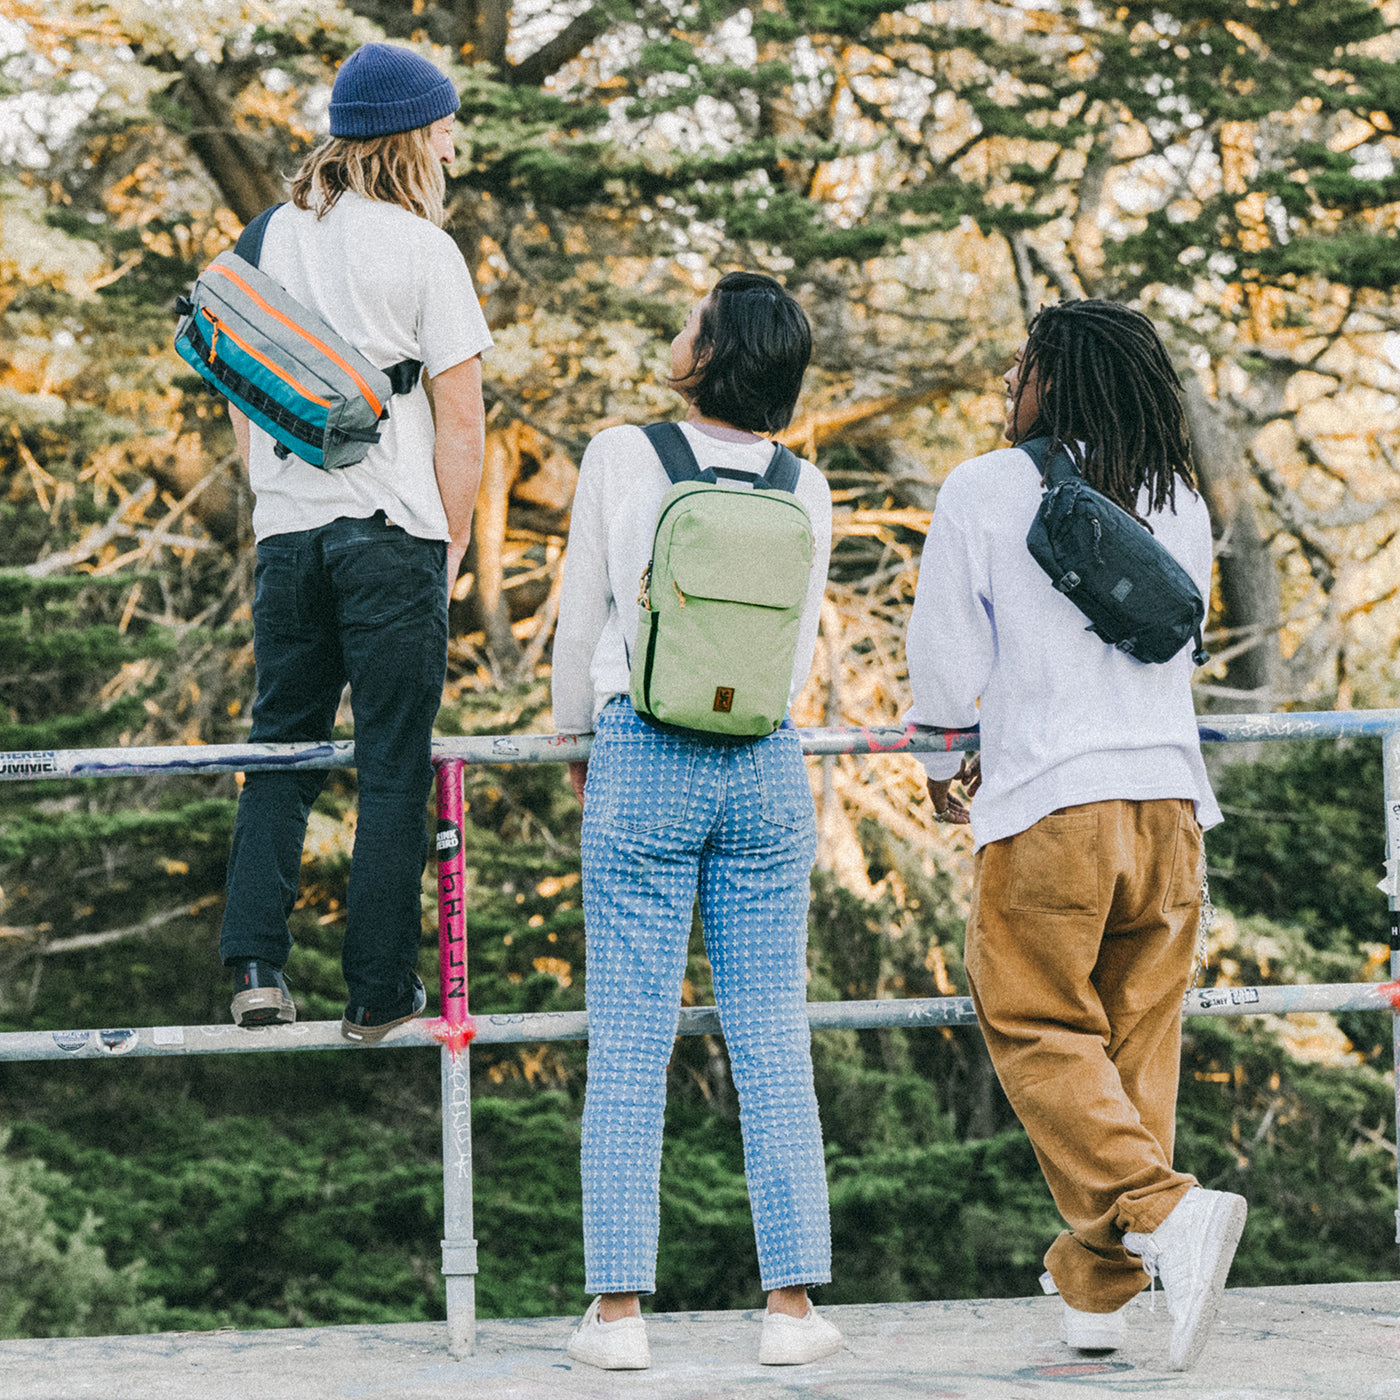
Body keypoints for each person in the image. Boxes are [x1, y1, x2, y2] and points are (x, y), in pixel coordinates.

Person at [904, 299, 1245, 1371]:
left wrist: (936, 762)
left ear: (1054, 377)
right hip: (1168, 804)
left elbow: (946, 659)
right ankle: (1096, 1299)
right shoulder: (1177, 495)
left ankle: (1163, 1206)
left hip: (1052, 805)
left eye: (1021, 367)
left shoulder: (983, 486)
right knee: (1130, 1047)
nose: (1009, 383)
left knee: (1035, 1021)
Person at [551, 272, 839, 1370]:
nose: (673, 335)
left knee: (629, 1034)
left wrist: (581, 741)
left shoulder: (625, 455)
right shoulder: (802, 484)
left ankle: (618, 1316)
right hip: (765, 760)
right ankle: (792, 1310)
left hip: (646, 748)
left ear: (708, 354)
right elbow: (795, 643)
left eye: (687, 323)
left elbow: (585, 620)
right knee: (771, 1030)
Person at [219, 42, 491, 1043]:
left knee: (280, 749)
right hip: (392, 535)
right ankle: (377, 987)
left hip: (288, 537)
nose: (454, 141)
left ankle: (253, 962)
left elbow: (241, 393)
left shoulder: (259, 240)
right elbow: (460, 427)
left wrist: (274, 494)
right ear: (410, 137)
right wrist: (450, 546)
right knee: (390, 761)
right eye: (445, 125)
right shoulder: (423, 251)